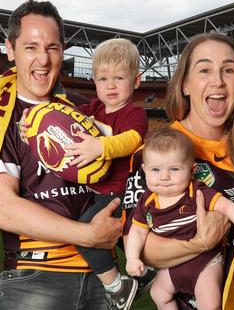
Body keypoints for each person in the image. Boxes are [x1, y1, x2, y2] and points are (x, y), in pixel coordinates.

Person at [121, 32, 234, 309]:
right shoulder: (155, 156)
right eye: (204, 69)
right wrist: (203, 243)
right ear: (185, 84)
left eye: (228, 70)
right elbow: (144, 247)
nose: (217, 81)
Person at [0, 0, 122, 310]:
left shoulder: (86, 109)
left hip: (103, 279)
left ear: (64, 50)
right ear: (10, 49)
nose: (43, 60)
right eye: (31, 47)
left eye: (52, 48)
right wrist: (89, 235)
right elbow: (4, 210)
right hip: (35, 278)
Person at [64, 38, 150, 309]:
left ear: (136, 81)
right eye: (102, 78)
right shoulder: (94, 109)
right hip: (99, 191)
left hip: (121, 193)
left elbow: (131, 141)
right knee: (131, 243)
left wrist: (99, 146)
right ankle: (150, 274)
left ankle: (117, 286)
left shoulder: (134, 113)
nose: (110, 85)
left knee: (87, 235)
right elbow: (67, 117)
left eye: (118, 77)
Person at [125, 128, 234, 310]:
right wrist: (132, 258)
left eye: (174, 169)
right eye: (155, 169)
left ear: (192, 170)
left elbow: (227, 207)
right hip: (173, 264)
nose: (164, 177)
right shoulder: (146, 200)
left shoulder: (196, 192)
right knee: (158, 294)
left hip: (205, 263)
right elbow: (137, 230)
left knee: (210, 304)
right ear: (144, 170)